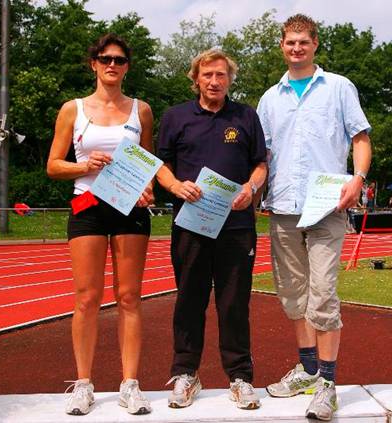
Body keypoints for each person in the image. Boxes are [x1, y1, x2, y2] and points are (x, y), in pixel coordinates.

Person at [257, 14, 371, 421]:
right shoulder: (270, 98)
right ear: (282, 46)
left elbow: (360, 138)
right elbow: (264, 156)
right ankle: (307, 370)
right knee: (293, 296)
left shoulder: (338, 87)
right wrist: (250, 190)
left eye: (303, 41)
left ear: (315, 44)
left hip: (327, 206)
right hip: (283, 206)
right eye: (290, 42)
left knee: (323, 295)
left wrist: (358, 179)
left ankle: (327, 384)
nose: (296, 48)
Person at [47, 34, 154, 416]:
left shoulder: (141, 110)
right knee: (87, 298)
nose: (112, 64)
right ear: (93, 63)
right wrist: (84, 166)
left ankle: (130, 384)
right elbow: (53, 165)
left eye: (120, 60)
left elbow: (149, 164)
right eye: (105, 58)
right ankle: (84, 384)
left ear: (127, 66)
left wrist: (149, 190)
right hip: (87, 204)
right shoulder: (72, 109)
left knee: (129, 297)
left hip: (129, 208)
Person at [155, 49, 267, 410]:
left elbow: (260, 165)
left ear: (229, 79)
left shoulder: (246, 116)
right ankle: (186, 373)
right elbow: (161, 165)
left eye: (221, 75)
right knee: (189, 300)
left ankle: (240, 377)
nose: (214, 82)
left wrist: (250, 189)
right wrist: (175, 186)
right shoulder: (175, 117)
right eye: (208, 76)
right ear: (195, 79)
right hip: (191, 225)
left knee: (234, 303)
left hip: (236, 226)